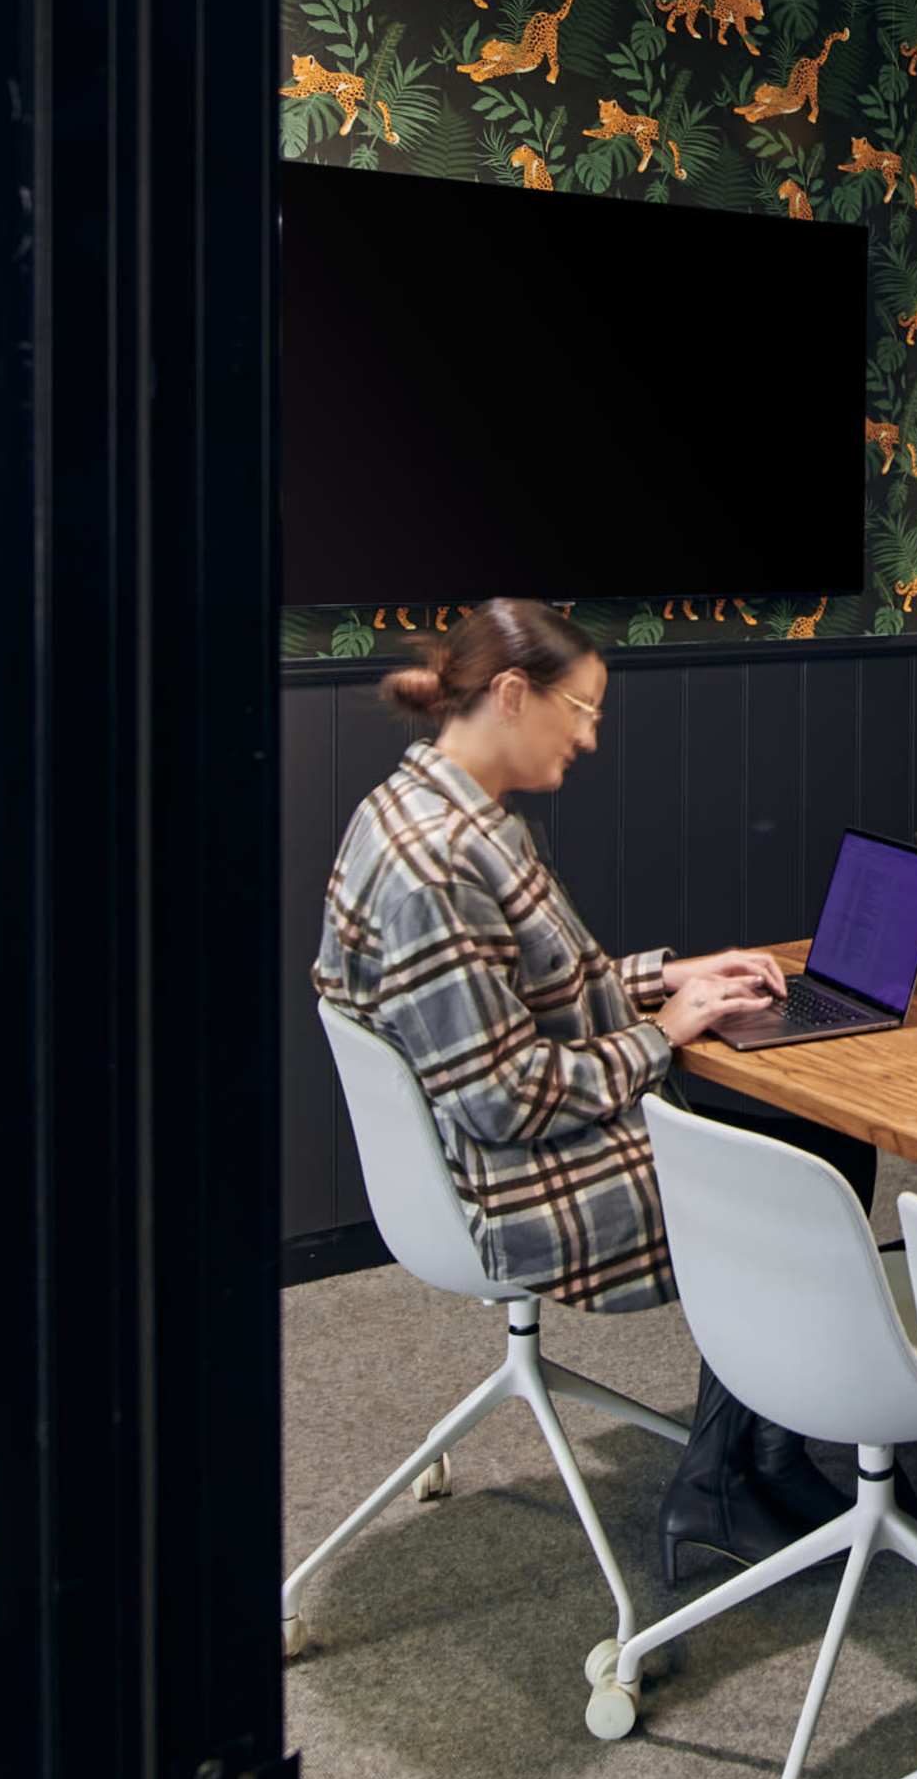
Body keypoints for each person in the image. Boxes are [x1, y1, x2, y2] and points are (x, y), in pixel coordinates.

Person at [312, 599, 878, 1583]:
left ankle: (764, 1456)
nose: (590, 735)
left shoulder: (425, 812)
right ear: (511, 694)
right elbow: (505, 1095)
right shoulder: (439, 865)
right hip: (513, 1184)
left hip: (482, 1156)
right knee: (805, 1181)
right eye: (580, 709)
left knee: (816, 1153)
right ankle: (722, 1478)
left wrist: (675, 977)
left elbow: (530, 994)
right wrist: (664, 1034)